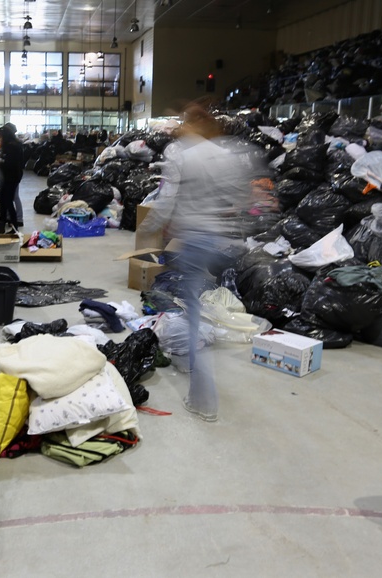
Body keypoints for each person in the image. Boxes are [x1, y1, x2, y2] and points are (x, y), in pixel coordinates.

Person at [141, 102, 268, 421]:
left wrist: (149, 227)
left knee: (193, 311)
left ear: (193, 124)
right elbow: (242, 197)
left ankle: (203, 398)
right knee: (204, 299)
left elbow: (168, 197)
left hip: (194, 239)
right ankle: (201, 381)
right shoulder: (226, 154)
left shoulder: (181, 153)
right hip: (219, 239)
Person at [0, 123, 24, 232]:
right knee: (3, 201)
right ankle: (2, 223)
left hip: (11, 178)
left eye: (0, 136)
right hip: (10, 177)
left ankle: (14, 225)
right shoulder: (13, 145)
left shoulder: (12, 146)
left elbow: (11, 164)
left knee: (7, 201)